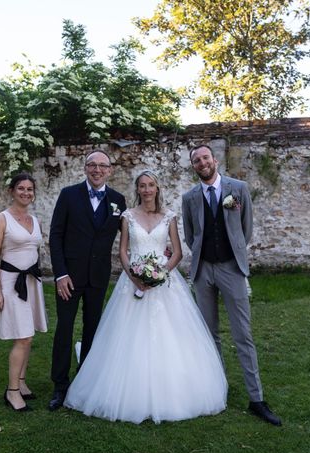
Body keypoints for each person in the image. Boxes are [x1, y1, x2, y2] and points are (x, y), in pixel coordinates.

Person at [64, 171, 227, 424]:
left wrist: (160, 275)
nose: (147, 189)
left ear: (157, 188)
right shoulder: (127, 216)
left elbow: (177, 252)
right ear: (137, 189)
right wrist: (135, 277)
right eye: (142, 186)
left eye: (151, 185)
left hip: (165, 283)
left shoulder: (169, 216)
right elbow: (122, 251)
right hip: (133, 282)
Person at [182, 144, 282, 426]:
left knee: (243, 334)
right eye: (196, 160)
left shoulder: (237, 188)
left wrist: (233, 252)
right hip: (203, 271)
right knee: (209, 334)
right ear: (193, 166)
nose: (202, 163)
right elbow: (191, 236)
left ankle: (256, 398)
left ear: (214, 160)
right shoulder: (189, 197)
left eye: (205, 158)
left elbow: (246, 228)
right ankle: (217, 390)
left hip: (231, 269)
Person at [48, 150, 127, 411]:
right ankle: (60, 385)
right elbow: (55, 236)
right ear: (84, 168)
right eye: (92, 165)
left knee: (93, 328)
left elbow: (131, 235)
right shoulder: (69, 195)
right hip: (69, 277)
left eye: (102, 166)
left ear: (110, 170)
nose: (97, 170)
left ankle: (85, 380)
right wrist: (60, 274)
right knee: (65, 329)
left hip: (98, 276)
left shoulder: (118, 201)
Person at [0, 173, 48, 412]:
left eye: (30, 189)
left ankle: (21, 383)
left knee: (28, 335)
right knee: (22, 338)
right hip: (11, 283)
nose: (26, 193)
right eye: (21, 188)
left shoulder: (34, 219)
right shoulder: (1, 219)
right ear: (12, 191)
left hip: (31, 282)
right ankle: (12, 392)